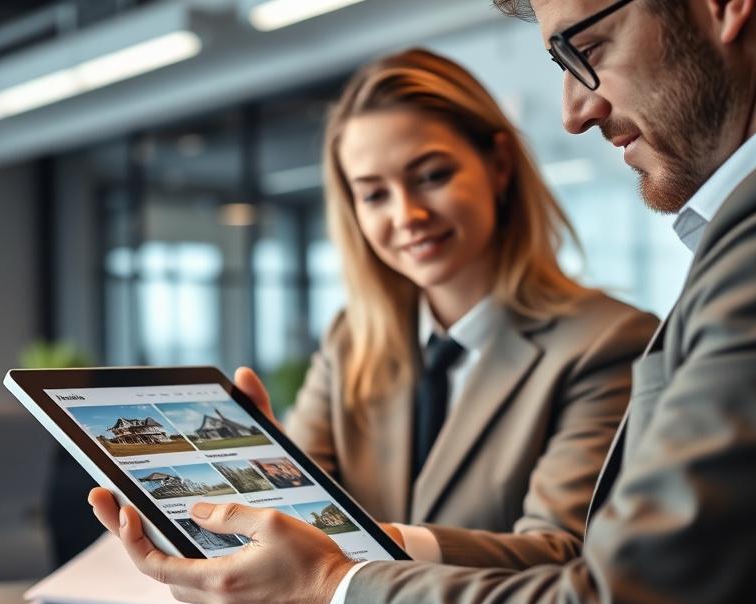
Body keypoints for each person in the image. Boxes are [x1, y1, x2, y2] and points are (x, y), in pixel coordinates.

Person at [90, 0, 756, 604]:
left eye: (588, 45)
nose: (575, 109)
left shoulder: (737, 251)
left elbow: (591, 595)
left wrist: (336, 577)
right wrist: (250, 493)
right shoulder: (354, 342)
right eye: (372, 192)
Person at [242, 49, 655, 551]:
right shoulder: (350, 340)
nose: (406, 214)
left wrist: (373, 543)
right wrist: (266, 475)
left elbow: (560, 552)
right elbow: (294, 521)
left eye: (432, 176)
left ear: (499, 165)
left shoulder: (609, 343)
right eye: (374, 195)